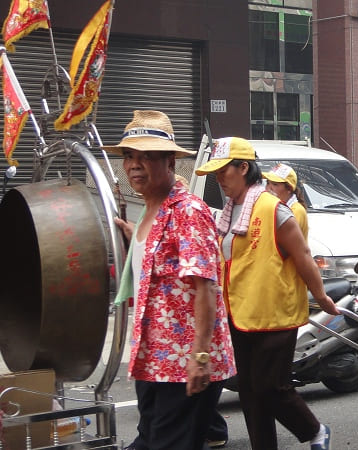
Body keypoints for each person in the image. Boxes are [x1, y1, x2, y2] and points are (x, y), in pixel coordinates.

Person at [195, 137, 339, 450]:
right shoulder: (230, 210)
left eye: (224, 172)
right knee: (249, 390)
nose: (219, 179)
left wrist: (321, 295)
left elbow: (303, 255)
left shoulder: (274, 209)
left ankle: (315, 431)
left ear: (244, 167)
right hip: (240, 313)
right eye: (216, 173)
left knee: (270, 387)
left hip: (275, 314)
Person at [106, 110, 236, 450]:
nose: (134, 165)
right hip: (151, 359)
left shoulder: (187, 211)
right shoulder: (151, 211)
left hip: (182, 363)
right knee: (149, 442)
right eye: (129, 156)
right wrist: (132, 236)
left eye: (146, 156)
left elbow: (205, 287)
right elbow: (159, 258)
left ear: (170, 163)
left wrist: (200, 357)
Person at [263, 163, 308, 238]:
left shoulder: (296, 211)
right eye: (268, 183)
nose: (269, 188)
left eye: (275, 184)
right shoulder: (271, 206)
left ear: (289, 189)